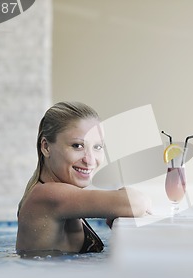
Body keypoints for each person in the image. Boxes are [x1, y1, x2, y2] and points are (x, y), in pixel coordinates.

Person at [16, 101, 151, 256]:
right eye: (77, 146)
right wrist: (120, 199)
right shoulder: (47, 194)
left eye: (97, 147)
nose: (90, 160)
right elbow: (135, 203)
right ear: (46, 147)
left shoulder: (60, 195)